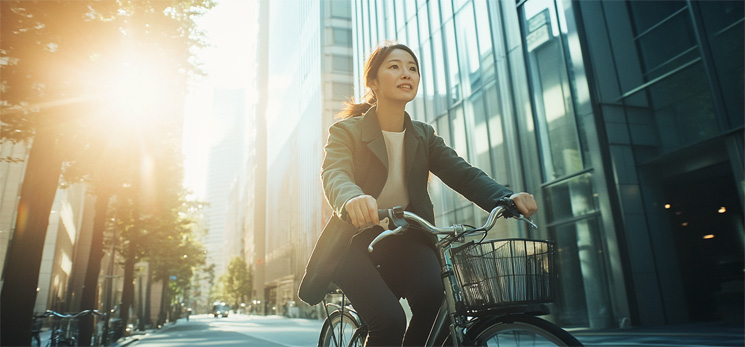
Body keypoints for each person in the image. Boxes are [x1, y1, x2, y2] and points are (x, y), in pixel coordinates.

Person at [299, 42, 537, 346]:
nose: (406, 73)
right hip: (354, 244)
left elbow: (463, 173)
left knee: (439, 305)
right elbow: (335, 173)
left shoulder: (424, 136)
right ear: (373, 82)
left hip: (405, 241)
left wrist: (506, 197)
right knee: (389, 321)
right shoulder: (347, 132)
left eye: (412, 68)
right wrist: (350, 198)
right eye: (394, 66)